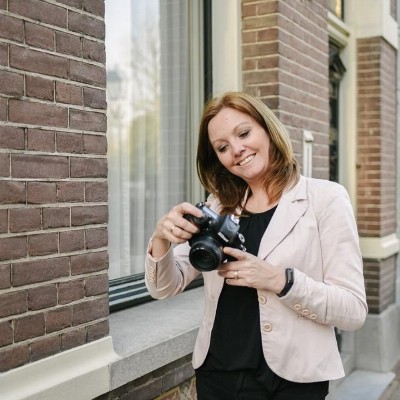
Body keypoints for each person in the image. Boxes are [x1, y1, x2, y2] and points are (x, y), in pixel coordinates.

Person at [145, 91, 367, 400]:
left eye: (244, 133)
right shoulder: (218, 206)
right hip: (217, 374)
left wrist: (280, 280)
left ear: (268, 129)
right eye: (222, 147)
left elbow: (353, 310)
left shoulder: (325, 199)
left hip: (292, 382)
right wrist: (161, 238)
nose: (236, 150)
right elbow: (164, 287)